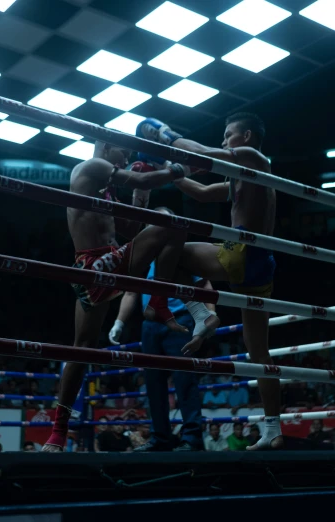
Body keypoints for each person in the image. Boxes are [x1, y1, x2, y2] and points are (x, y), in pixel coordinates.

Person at [43, 147, 216, 452]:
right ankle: (58, 432)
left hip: (114, 260)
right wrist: (181, 169)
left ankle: (158, 303)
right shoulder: (90, 167)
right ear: (108, 147)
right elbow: (141, 179)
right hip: (91, 264)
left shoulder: (107, 191)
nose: (125, 159)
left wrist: (139, 200)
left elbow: (131, 229)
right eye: (122, 152)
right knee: (82, 349)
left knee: (169, 221)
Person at [137, 113, 282, 450]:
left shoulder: (254, 158)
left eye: (228, 134)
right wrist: (168, 174)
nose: (223, 141)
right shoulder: (241, 177)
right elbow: (200, 192)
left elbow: (201, 153)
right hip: (259, 265)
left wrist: (164, 134)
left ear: (246, 136)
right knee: (258, 351)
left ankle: (201, 314)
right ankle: (274, 429)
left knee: (169, 247)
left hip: (242, 252)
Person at [110, 206, 214, 451]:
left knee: (184, 381)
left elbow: (204, 282)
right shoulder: (143, 258)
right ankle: (161, 438)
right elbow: (130, 291)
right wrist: (119, 323)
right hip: (151, 325)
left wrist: (211, 315)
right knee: (154, 384)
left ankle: (192, 439)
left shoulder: (179, 252)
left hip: (181, 322)